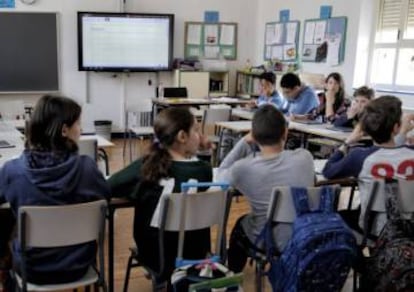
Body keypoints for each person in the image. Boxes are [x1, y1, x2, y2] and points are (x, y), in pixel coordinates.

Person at [0, 95, 110, 284]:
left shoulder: (13, 171)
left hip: (31, 270)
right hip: (79, 265)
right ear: (64, 130)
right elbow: (105, 198)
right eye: (78, 124)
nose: (81, 129)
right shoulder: (88, 168)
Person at [108, 107, 213, 285]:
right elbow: (198, 167)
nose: (201, 135)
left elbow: (110, 186)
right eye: (196, 130)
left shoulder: (146, 167)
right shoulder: (204, 170)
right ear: (182, 136)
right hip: (196, 254)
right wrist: (205, 153)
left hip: (156, 254)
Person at [217, 105, 315, 272]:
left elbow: (220, 175)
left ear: (253, 136)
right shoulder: (305, 157)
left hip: (268, 239)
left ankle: (233, 278)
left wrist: (243, 142)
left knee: (240, 226)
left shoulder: (243, 168)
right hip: (304, 235)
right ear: (285, 132)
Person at [322, 96, 414, 235]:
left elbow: (328, 171)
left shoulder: (359, 156)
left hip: (374, 229)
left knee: (340, 213)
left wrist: (347, 143)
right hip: (410, 228)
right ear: (396, 128)